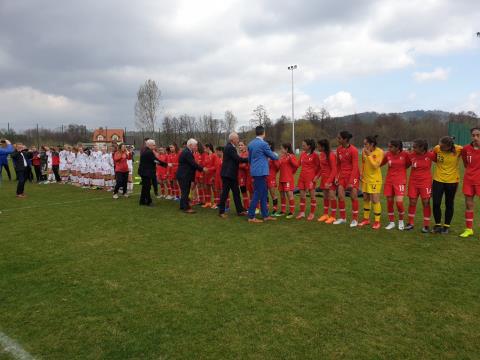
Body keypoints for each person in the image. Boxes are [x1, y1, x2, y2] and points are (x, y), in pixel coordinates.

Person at [246, 126, 279, 222]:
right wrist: (277, 155)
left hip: (255, 171)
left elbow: (249, 159)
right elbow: (273, 156)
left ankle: (265, 215)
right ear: (263, 133)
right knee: (257, 193)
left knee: (264, 193)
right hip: (261, 172)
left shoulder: (251, 144)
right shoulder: (263, 144)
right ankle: (251, 216)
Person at [431, 136, 463, 234]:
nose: (440, 147)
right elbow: (435, 158)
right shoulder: (436, 148)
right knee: (436, 203)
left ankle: (446, 226)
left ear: (449, 147)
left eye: (443, 146)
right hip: (438, 180)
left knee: (449, 204)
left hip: (452, 181)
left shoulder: (459, 149)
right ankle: (437, 225)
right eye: (439, 145)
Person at [405, 139, 435, 233]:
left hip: (426, 182)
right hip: (413, 182)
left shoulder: (430, 155)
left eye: (415, 147)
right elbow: (405, 166)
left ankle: (426, 225)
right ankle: (410, 223)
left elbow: (441, 161)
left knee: (426, 202)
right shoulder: (411, 155)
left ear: (422, 148)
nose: (413, 149)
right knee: (412, 202)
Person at [381, 140, 410, 230]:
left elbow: (408, 164)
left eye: (391, 147)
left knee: (399, 202)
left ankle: (401, 221)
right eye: (388, 147)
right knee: (389, 201)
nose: (389, 149)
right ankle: (391, 222)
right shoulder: (388, 154)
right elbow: (380, 164)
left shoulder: (405, 154)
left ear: (397, 148)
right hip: (389, 181)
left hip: (400, 181)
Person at [218, 132, 249, 218]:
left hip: (231, 175)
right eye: (237, 139)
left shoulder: (231, 147)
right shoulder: (230, 148)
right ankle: (221, 212)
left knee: (236, 192)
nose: (238, 140)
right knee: (225, 193)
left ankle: (240, 210)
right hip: (228, 175)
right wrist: (248, 159)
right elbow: (237, 159)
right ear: (233, 139)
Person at [334, 131, 360, 227]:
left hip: (353, 176)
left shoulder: (354, 150)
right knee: (340, 196)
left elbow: (355, 167)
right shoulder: (338, 149)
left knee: (353, 197)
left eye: (339, 138)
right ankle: (343, 218)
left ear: (345, 139)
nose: (338, 139)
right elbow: (338, 165)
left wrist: (351, 181)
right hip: (342, 176)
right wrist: (337, 176)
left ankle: (355, 219)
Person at [359, 135, 384, 230]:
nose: (364, 146)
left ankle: (377, 222)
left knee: (375, 200)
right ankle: (366, 219)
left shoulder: (380, 152)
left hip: (375, 180)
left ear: (372, 144)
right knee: (365, 199)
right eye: (364, 144)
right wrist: (361, 173)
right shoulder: (364, 152)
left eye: (366, 144)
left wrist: (369, 154)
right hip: (366, 179)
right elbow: (363, 163)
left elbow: (375, 166)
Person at [176, 139, 206, 213]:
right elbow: (193, 164)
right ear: (190, 145)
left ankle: (182, 206)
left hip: (183, 175)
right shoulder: (187, 153)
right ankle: (186, 208)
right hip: (184, 175)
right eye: (195, 145)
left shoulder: (187, 152)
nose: (196, 146)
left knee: (184, 192)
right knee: (185, 192)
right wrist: (202, 169)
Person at [460, 127, 480, 238]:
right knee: (468, 204)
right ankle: (468, 229)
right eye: (473, 135)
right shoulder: (466, 149)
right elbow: (465, 163)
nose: (475, 137)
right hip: (469, 180)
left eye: (478, 135)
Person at [296, 139, 320, 221]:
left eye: (304, 145)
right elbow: (297, 164)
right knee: (302, 195)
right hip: (302, 177)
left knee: (312, 196)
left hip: (310, 178)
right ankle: (302, 212)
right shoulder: (302, 154)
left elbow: (320, 168)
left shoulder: (315, 155)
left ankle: (312, 213)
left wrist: (316, 176)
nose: (302, 147)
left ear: (309, 146)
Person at [138, 140, 167, 206]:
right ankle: (148, 201)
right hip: (146, 172)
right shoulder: (149, 152)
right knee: (147, 187)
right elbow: (155, 160)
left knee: (145, 187)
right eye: (154, 145)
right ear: (149, 145)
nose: (155, 146)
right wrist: (165, 164)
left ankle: (142, 201)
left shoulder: (146, 151)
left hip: (144, 171)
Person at [317, 139, 337, 224]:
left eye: (318, 146)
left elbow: (334, 169)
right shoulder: (321, 155)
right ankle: (325, 214)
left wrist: (329, 181)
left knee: (332, 197)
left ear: (323, 146)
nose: (317, 147)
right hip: (324, 179)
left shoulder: (331, 155)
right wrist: (317, 176)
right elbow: (322, 168)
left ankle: (333, 216)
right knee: (325, 197)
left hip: (330, 179)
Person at [277, 143, 298, 219]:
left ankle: (292, 212)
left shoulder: (291, 156)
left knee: (289, 195)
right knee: (282, 195)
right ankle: (283, 210)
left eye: (282, 148)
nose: (281, 150)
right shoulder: (282, 157)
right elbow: (278, 166)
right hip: (281, 179)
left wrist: (292, 173)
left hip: (288, 179)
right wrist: (278, 159)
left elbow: (296, 165)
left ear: (286, 149)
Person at [266, 141, 280, 216]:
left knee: (273, 194)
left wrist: (273, 160)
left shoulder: (274, 155)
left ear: (270, 145)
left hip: (271, 177)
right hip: (264, 176)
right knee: (265, 194)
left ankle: (275, 210)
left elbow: (278, 167)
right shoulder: (265, 154)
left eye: (267, 144)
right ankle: (266, 209)